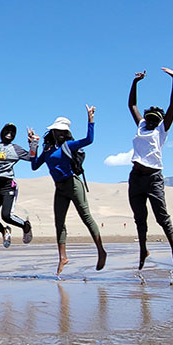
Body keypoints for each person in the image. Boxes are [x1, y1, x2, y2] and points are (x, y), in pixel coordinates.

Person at [32, 106, 107, 275]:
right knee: (59, 222)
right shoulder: (48, 150)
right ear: (52, 132)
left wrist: (91, 119)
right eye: (56, 130)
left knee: (86, 217)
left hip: (73, 184)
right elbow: (34, 165)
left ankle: (101, 251)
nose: (59, 133)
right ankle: (62, 258)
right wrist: (33, 146)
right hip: (59, 188)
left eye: (62, 131)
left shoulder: (68, 145)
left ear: (65, 133)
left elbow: (89, 139)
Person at [128, 67, 173, 275]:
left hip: (153, 178)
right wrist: (135, 83)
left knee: (162, 218)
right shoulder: (141, 126)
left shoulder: (161, 130)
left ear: (159, 121)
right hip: (135, 178)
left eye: (154, 118)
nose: (150, 120)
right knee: (139, 218)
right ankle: (143, 250)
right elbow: (132, 104)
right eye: (148, 117)